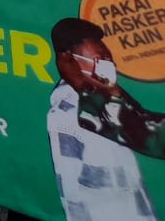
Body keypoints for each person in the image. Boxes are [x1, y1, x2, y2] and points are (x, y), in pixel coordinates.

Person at [46, 17, 163, 221]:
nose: (109, 65)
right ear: (67, 59)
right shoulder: (66, 113)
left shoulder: (105, 101)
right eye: (100, 59)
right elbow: (71, 192)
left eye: (108, 59)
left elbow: (146, 132)